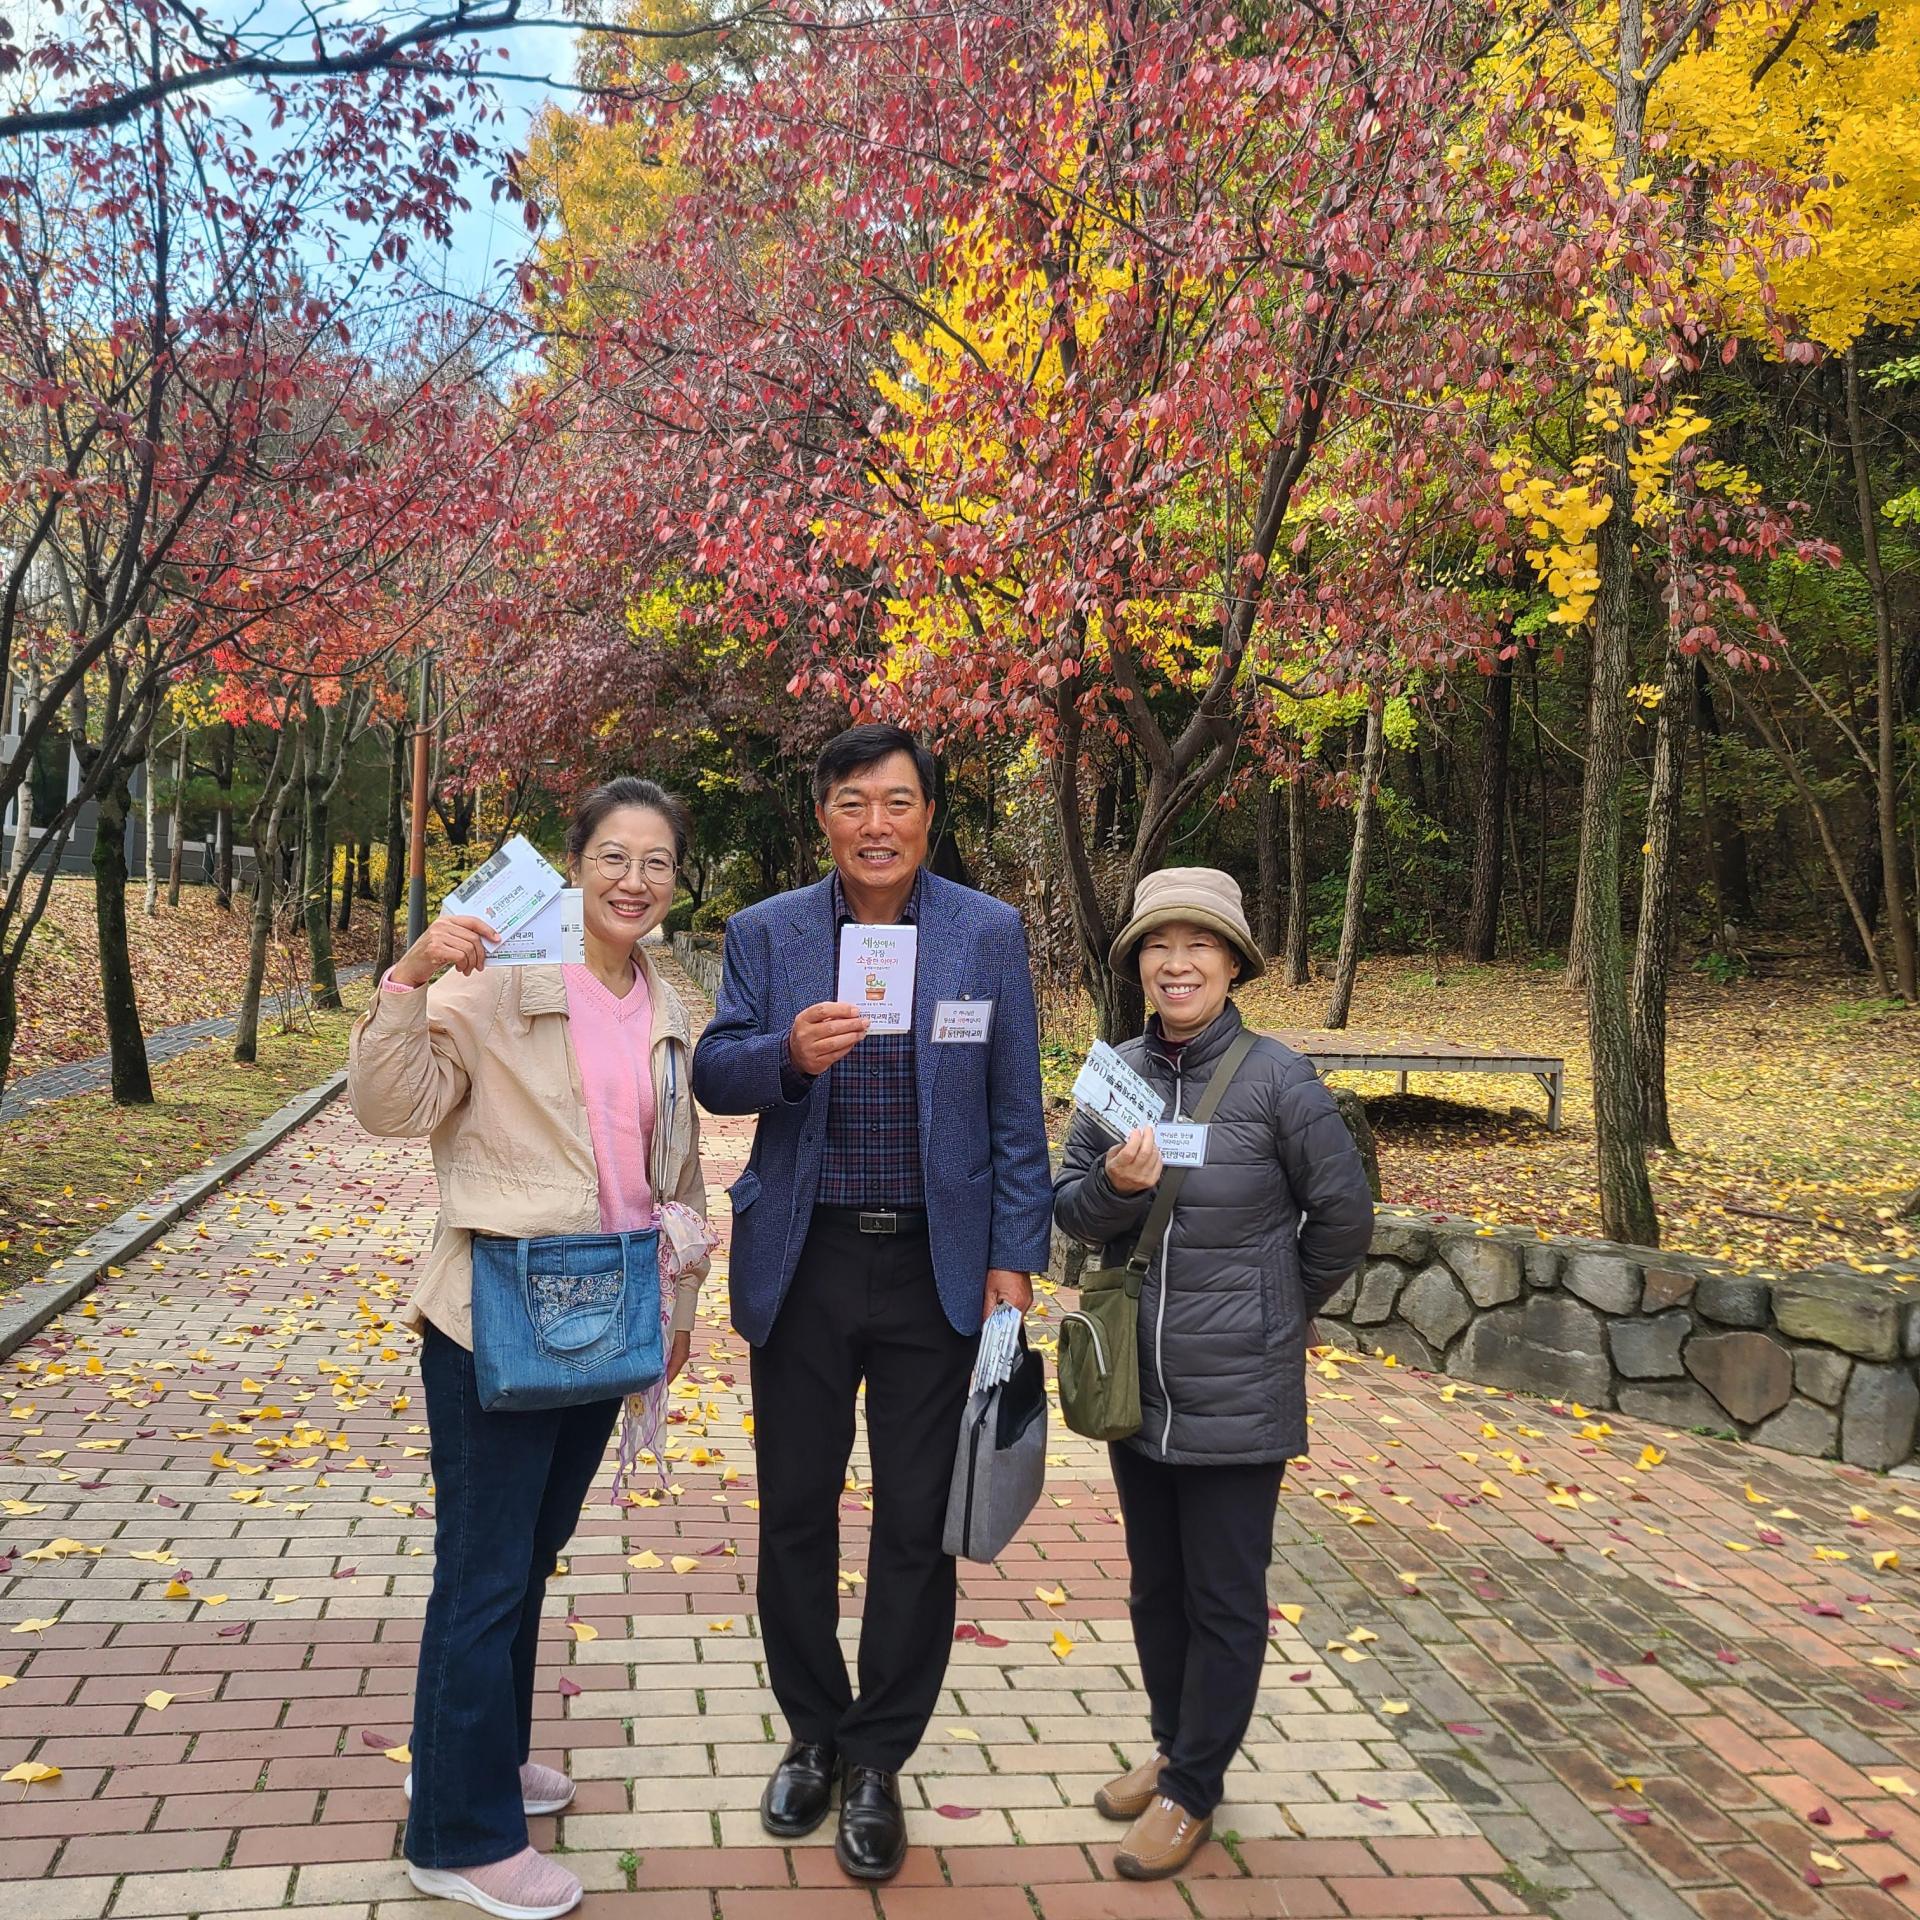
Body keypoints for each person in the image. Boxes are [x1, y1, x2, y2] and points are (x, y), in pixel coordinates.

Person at [692, 723, 1053, 1884]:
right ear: (824, 819)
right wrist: (787, 1057)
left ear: (930, 815)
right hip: (805, 1260)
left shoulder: (985, 933)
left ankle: (879, 1756)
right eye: (853, 802)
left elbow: (1015, 1112)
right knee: (795, 1510)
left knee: (915, 1522)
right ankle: (813, 1733)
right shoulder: (768, 933)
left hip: (935, 1268)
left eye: (898, 801)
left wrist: (1015, 1258)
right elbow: (714, 1070)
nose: (877, 824)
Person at [349, 777, 710, 1920]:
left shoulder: (663, 1000)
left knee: (526, 1559)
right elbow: (390, 1105)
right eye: (613, 857)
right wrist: (409, 979)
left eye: (657, 862)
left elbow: (675, 1168)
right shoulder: (497, 983)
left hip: (603, 1317)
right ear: (575, 864)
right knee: (485, 1571)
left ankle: (482, 1762)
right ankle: (456, 1838)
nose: (634, 882)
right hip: (495, 1318)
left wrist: (680, 1308)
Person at [1053, 866, 1374, 1882]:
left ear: (1233, 963)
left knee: (1224, 1596)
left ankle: (1195, 1788)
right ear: (1138, 964)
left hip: (1241, 1385)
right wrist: (1116, 1185)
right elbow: (1068, 1207)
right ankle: (1173, 1746)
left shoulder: (1279, 1079)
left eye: (1198, 944)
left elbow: (1345, 1217)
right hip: (1136, 1382)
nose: (1177, 962)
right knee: (1157, 1587)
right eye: (1159, 943)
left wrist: (1279, 1309)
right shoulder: (1113, 1075)